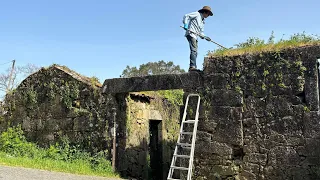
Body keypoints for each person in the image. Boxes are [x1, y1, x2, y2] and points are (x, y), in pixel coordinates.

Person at [182, 6, 213, 71]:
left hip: (195, 36)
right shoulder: (197, 14)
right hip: (191, 34)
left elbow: (201, 33)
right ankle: (192, 67)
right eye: (208, 14)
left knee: (195, 51)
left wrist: (205, 37)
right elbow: (186, 16)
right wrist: (185, 24)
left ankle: (193, 66)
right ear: (205, 12)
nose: (208, 16)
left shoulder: (203, 21)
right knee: (194, 50)